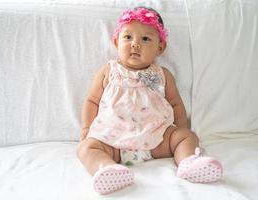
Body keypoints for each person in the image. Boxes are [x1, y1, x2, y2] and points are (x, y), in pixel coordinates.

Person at [77, 6, 223, 195]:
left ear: (160, 48)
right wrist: (86, 128)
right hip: (113, 141)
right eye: (127, 37)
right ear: (116, 41)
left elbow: (176, 103)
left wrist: (180, 128)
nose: (135, 44)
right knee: (86, 148)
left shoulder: (162, 74)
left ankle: (189, 162)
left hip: (157, 139)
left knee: (188, 137)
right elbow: (91, 101)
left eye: (145, 39)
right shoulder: (109, 71)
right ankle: (106, 168)